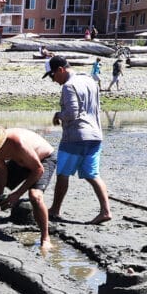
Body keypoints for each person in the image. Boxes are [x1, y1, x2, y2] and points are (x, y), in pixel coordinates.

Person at [44, 55, 112, 225]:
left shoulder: (68, 86)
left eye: (52, 76)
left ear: (61, 70)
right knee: (93, 175)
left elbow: (72, 114)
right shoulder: (90, 81)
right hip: (95, 135)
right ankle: (105, 211)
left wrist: (58, 115)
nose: (53, 81)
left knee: (62, 174)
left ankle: (55, 209)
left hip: (76, 137)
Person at [0, 127, 56, 249]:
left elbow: (38, 170)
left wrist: (16, 194)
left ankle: (45, 238)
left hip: (43, 160)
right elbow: (2, 171)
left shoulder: (18, 143)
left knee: (35, 196)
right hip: (21, 160)